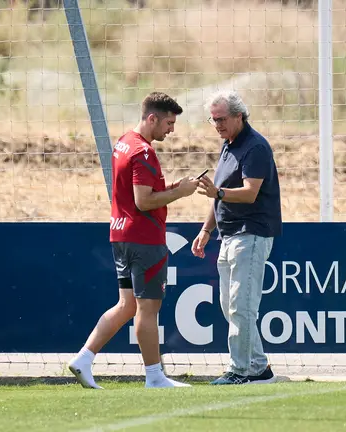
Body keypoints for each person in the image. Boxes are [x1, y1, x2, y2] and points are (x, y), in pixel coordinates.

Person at [68, 92, 198, 389]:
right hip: (144, 238)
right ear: (152, 118)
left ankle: (84, 358)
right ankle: (154, 376)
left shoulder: (124, 142)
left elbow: (137, 190)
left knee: (126, 305)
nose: (171, 129)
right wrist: (181, 193)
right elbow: (143, 201)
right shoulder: (143, 152)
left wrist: (174, 185)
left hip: (121, 234)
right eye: (168, 122)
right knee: (147, 308)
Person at [191, 90, 282, 385]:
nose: (216, 125)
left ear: (238, 116)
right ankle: (259, 367)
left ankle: (239, 371)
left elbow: (249, 192)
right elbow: (218, 196)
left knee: (241, 307)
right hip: (228, 235)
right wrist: (206, 230)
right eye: (213, 120)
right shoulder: (228, 146)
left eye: (221, 119)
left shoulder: (255, 147)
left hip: (251, 234)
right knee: (230, 305)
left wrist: (217, 193)